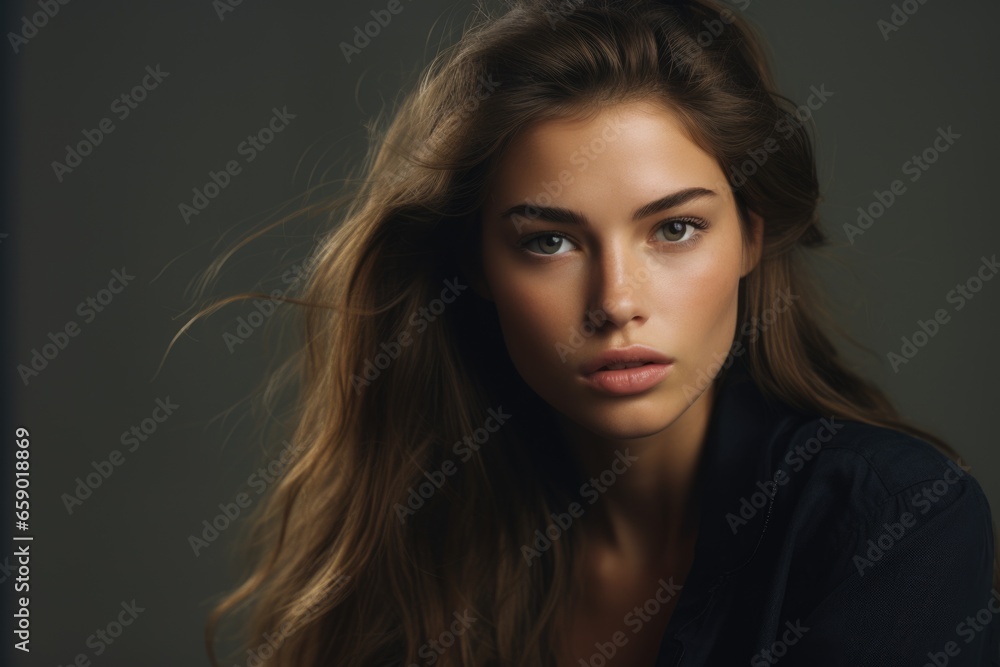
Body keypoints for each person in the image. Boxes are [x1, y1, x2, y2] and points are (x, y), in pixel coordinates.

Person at [199, 0, 1000, 664]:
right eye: (549, 240)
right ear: (476, 264)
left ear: (752, 236)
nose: (617, 300)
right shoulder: (417, 546)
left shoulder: (891, 522)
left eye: (675, 229)